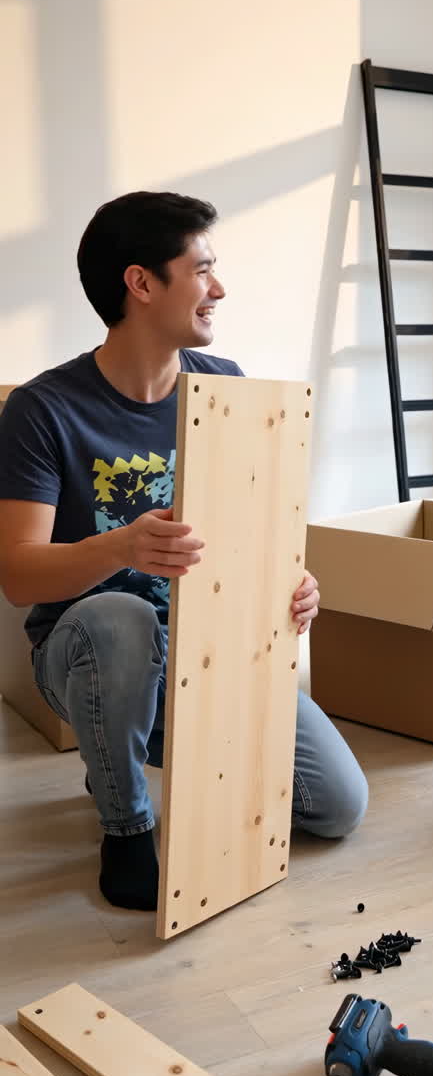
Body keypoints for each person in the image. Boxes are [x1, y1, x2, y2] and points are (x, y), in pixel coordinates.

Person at [0, 191, 368, 911]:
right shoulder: (43, 410)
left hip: (208, 647)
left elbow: (251, 534)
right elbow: (17, 574)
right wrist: (124, 546)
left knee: (336, 806)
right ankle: (127, 822)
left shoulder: (223, 385)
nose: (218, 288)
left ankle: (125, 750)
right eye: (202, 269)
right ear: (141, 284)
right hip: (84, 651)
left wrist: (294, 583)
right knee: (118, 620)